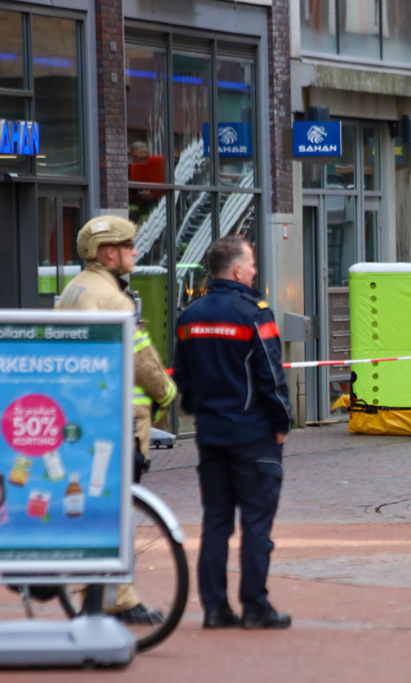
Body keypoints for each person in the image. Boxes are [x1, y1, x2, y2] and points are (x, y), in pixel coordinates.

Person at [56, 215, 177, 625]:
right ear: (109, 253)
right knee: (121, 507)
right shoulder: (112, 299)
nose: (134, 253)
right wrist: (167, 393)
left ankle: (101, 594)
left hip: (83, 416)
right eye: (128, 247)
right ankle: (118, 597)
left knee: (97, 506)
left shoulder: (73, 291)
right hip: (120, 419)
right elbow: (141, 360)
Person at [173, 235, 294, 629]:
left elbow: (183, 375)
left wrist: (197, 411)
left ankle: (213, 608)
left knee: (215, 523)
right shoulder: (254, 313)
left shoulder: (190, 315)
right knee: (256, 524)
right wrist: (281, 424)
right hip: (253, 435)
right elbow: (271, 377)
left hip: (211, 435)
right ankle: (255, 607)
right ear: (238, 270)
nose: (255, 270)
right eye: (253, 263)